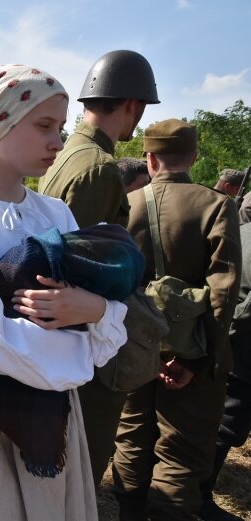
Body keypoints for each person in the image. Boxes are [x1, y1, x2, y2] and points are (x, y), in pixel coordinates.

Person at [0, 65, 129, 521]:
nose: (57, 142)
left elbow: (103, 322)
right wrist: (72, 353)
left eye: (60, 127)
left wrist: (92, 309)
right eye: (43, 126)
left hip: (50, 412)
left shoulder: (55, 213)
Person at [38, 49, 160, 488]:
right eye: (140, 111)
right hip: (87, 347)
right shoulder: (99, 169)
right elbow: (82, 268)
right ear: (133, 105)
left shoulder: (71, 154)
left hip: (71, 338)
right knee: (83, 465)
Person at [113, 119, 242, 521]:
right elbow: (223, 291)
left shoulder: (124, 206)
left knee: (131, 438)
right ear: (196, 156)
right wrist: (199, 360)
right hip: (192, 351)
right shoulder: (216, 205)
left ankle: (130, 514)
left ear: (149, 158)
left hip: (132, 346)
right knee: (181, 449)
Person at [199, 222, 251, 521]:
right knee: (227, 422)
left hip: (223, 341)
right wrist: (226, 337)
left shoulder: (240, 229)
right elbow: (247, 312)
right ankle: (200, 495)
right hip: (241, 350)